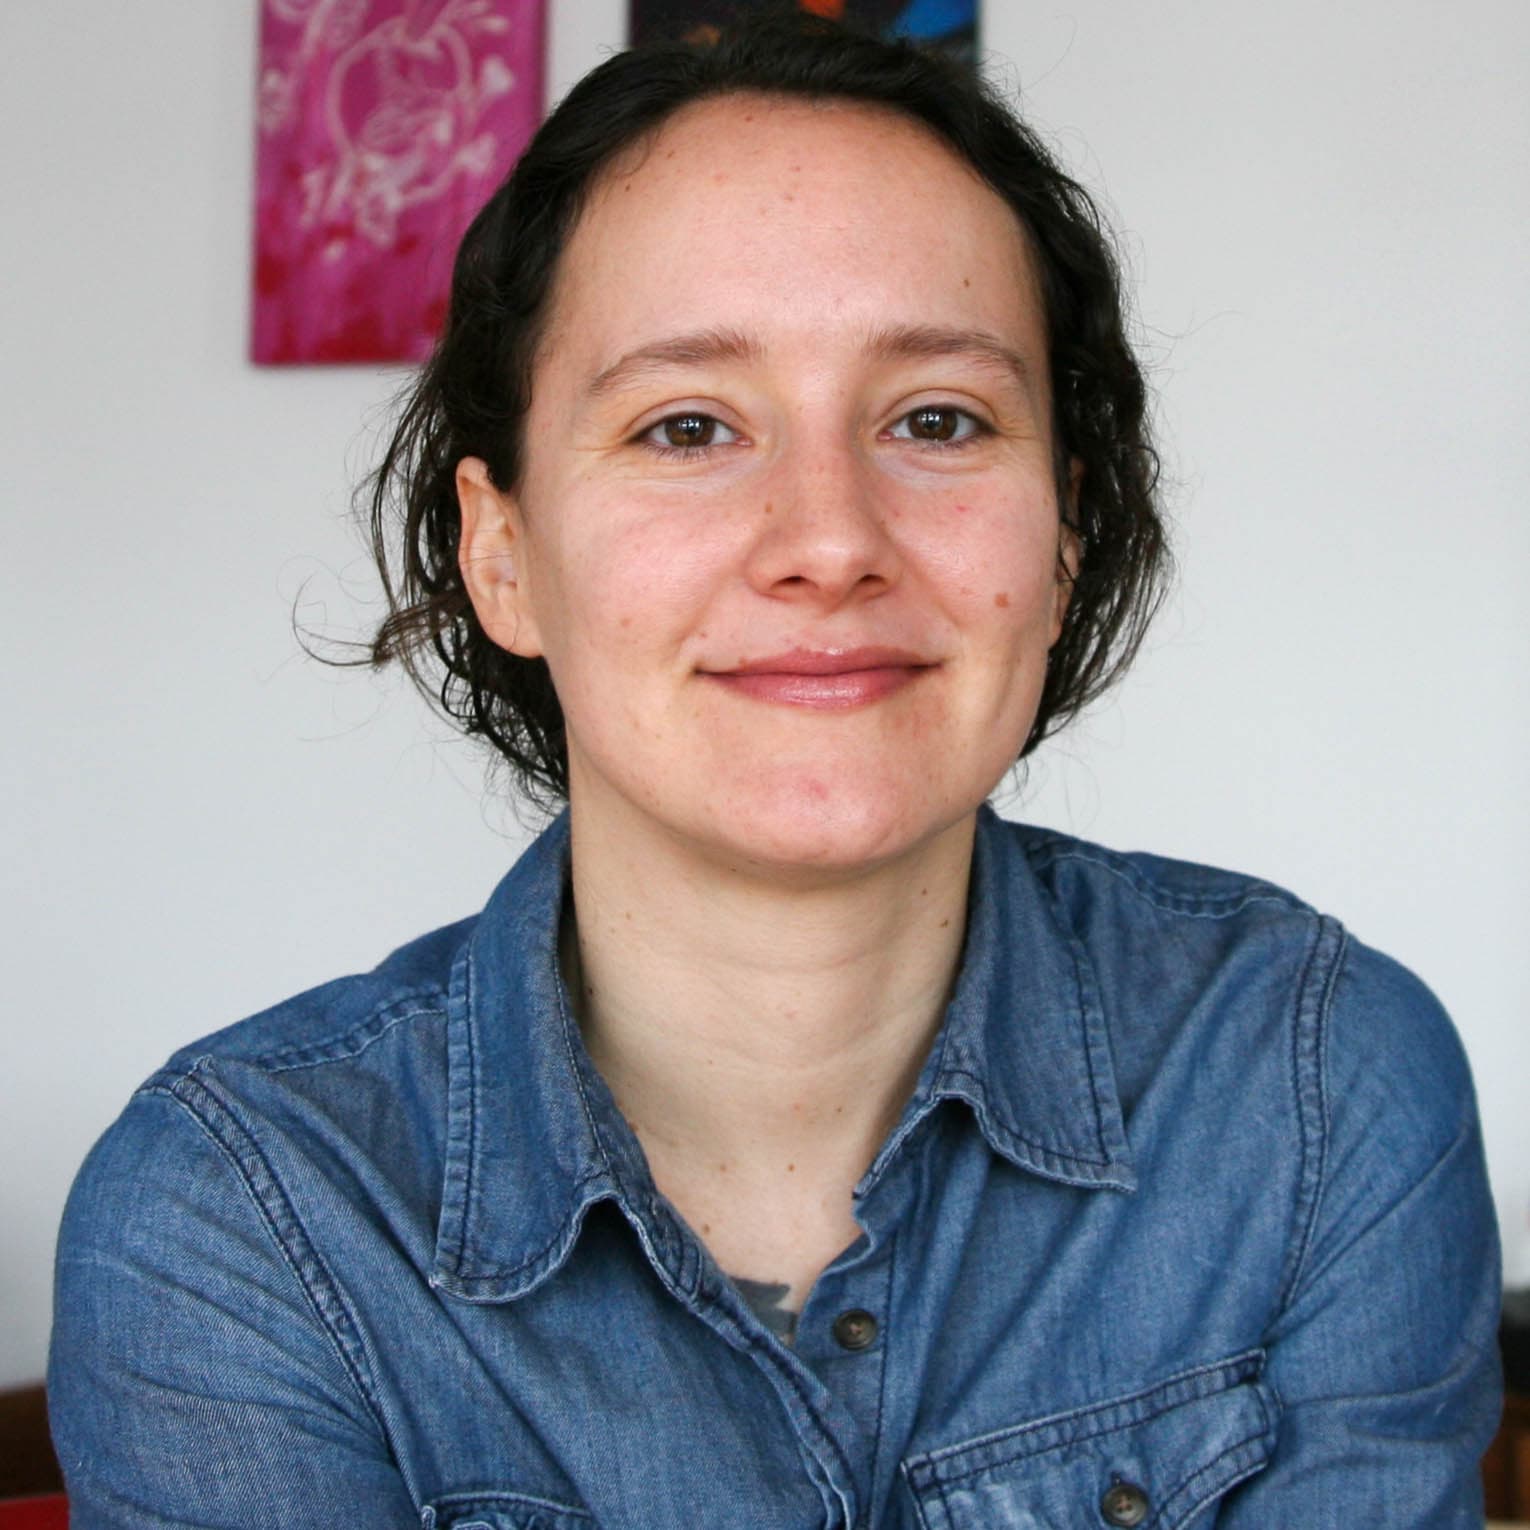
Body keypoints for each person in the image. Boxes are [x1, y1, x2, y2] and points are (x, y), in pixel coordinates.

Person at [48, 13, 1501, 1527]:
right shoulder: (240, 1215)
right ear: (503, 553)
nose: (828, 540)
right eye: (687, 427)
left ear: (1065, 535)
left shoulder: (1316, 1080)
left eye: (936, 419)